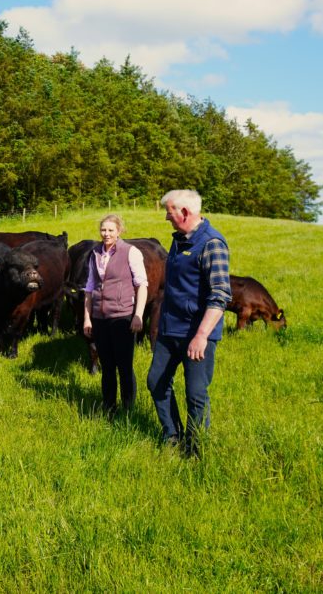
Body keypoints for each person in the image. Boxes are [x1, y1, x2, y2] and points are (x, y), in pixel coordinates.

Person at [146, 190, 231, 458]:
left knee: (195, 394)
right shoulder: (178, 241)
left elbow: (220, 295)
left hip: (197, 334)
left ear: (184, 212)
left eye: (169, 211)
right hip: (170, 330)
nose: (166, 216)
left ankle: (196, 450)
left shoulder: (212, 243)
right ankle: (172, 436)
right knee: (156, 382)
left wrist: (202, 335)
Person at [82, 214, 148, 417]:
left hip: (122, 316)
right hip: (100, 317)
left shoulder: (131, 252)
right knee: (107, 365)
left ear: (119, 231)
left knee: (124, 365)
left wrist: (138, 315)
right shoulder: (94, 253)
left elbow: (141, 285)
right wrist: (87, 317)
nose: (106, 234)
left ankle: (128, 409)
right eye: (103, 230)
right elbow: (90, 287)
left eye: (111, 230)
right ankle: (109, 407)